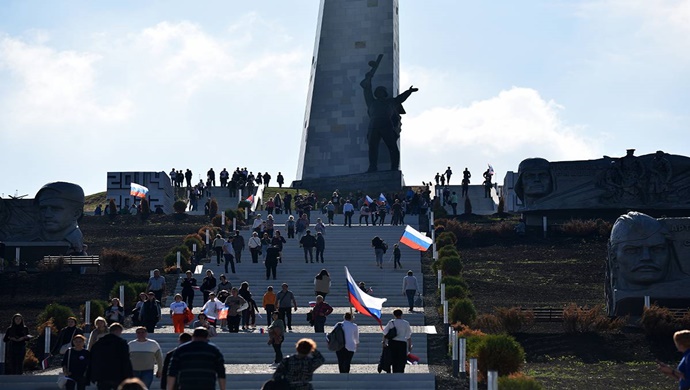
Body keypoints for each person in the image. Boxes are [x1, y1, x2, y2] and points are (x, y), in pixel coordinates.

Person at [360, 55, 418, 172]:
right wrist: (368, 77)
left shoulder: (390, 102)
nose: (380, 93)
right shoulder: (371, 101)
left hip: (386, 124)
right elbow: (366, 88)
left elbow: (400, 98)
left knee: (392, 147)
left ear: (385, 93)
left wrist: (409, 91)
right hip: (374, 125)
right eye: (378, 91)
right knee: (372, 147)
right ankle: (372, 167)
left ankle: (394, 167)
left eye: (382, 91)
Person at [34, 182, 85, 253]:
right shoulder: (30, 238)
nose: (47, 214)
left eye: (55, 209)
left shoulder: (75, 244)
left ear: (76, 214)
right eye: (43, 208)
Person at [88, 323, 133, 390]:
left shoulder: (99, 343)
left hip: (102, 375)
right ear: (118, 331)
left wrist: (92, 374)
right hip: (117, 374)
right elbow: (125, 360)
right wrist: (129, 374)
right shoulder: (121, 343)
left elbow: (92, 359)